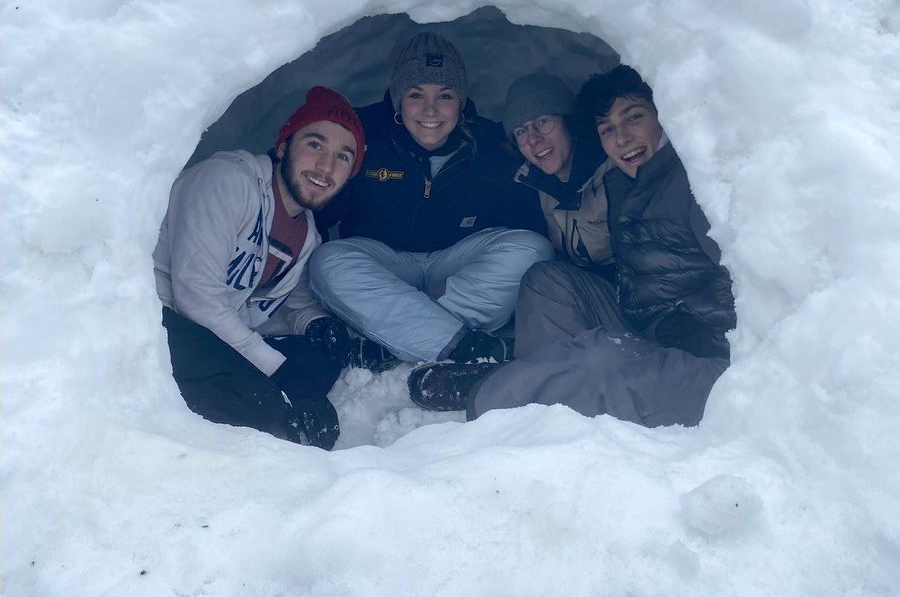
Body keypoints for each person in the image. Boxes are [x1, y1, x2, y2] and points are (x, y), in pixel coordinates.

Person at [409, 65, 735, 429]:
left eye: (634, 118)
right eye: (607, 129)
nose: (622, 138)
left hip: (712, 363)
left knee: (601, 359)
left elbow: (751, 288)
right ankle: (544, 379)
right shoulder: (627, 183)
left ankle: (502, 401)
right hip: (647, 328)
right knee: (546, 280)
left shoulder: (696, 184)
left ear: (664, 116)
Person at [308, 32, 554, 364]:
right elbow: (314, 203)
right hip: (386, 263)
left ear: (461, 101)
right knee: (326, 260)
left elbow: (525, 228)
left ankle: (400, 337)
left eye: (446, 95)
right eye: (415, 94)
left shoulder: (490, 143)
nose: (430, 110)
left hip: (456, 268)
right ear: (398, 99)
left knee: (532, 250)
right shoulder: (363, 133)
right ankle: (464, 348)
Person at [154, 87, 366, 450]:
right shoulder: (227, 181)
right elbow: (197, 301)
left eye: (342, 158)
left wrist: (319, 325)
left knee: (319, 363)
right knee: (261, 406)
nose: (326, 167)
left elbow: (285, 303)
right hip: (163, 321)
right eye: (315, 145)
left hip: (215, 335)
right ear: (284, 145)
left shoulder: (307, 235)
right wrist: (283, 375)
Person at [503, 72, 615, 276]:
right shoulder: (529, 183)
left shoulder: (612, 169)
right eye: (521, 131)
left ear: (568, 122)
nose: (534, 139)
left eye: (543, 121)